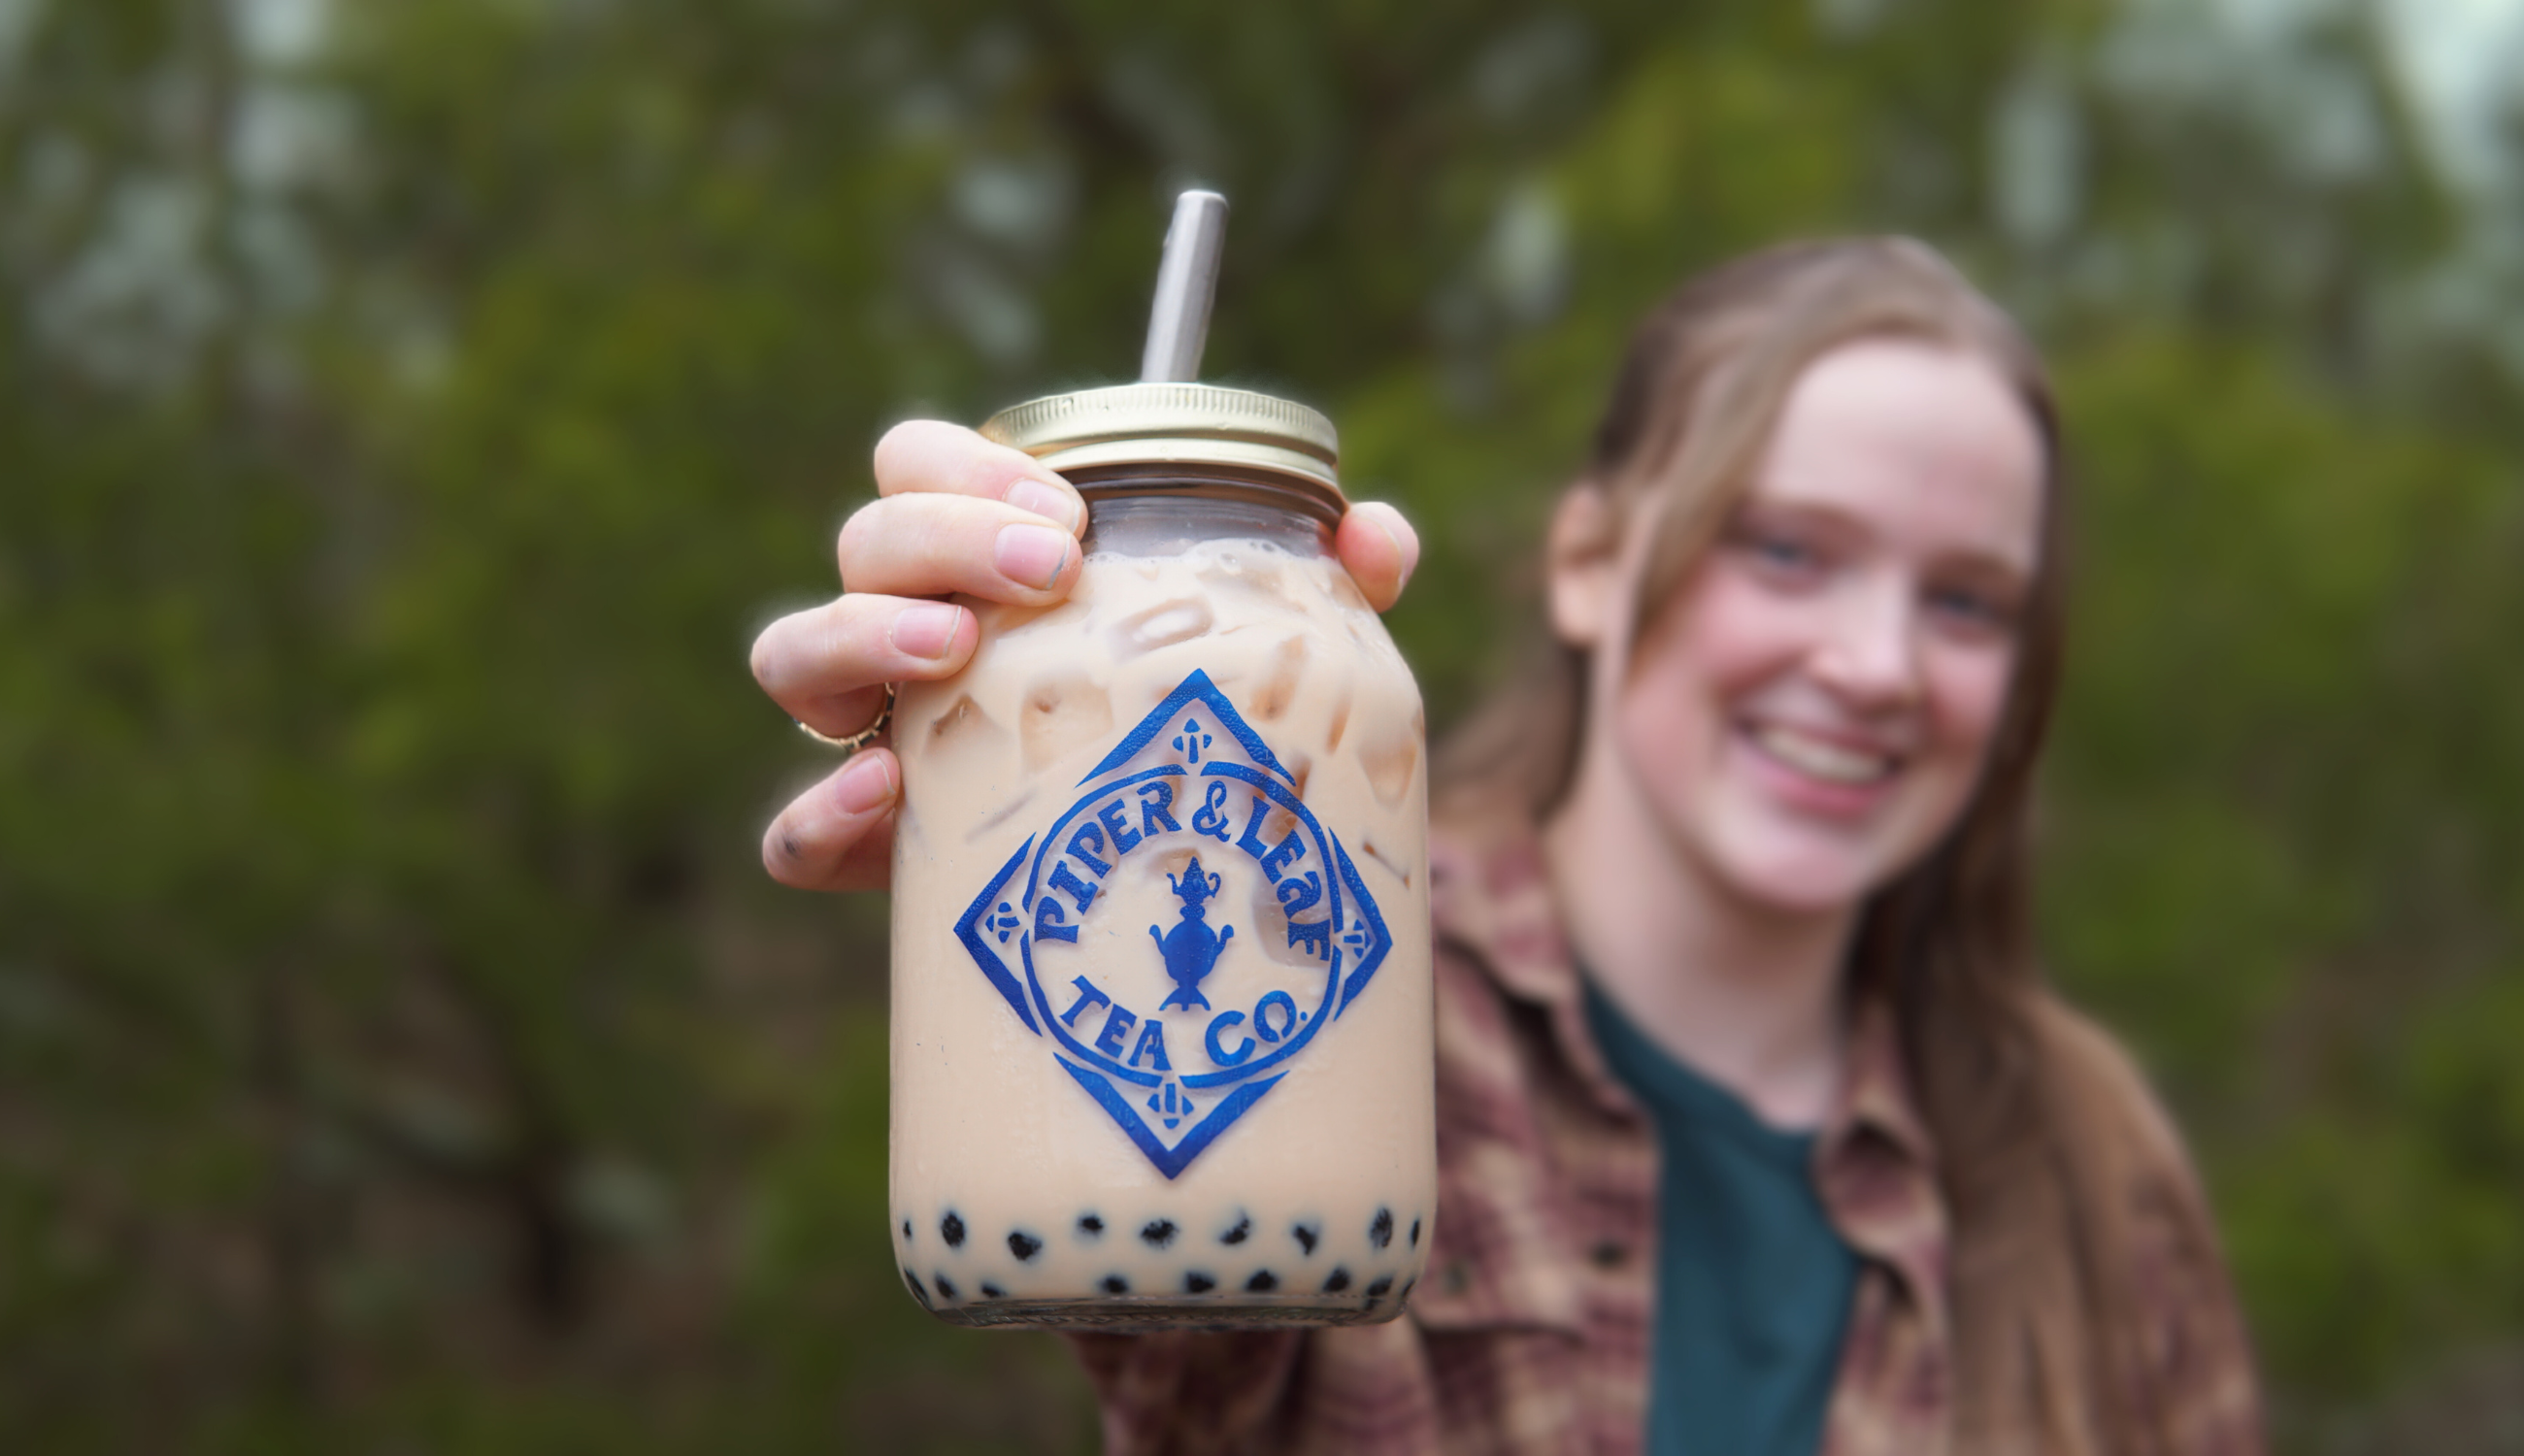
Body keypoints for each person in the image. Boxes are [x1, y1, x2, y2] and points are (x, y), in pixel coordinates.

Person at [748, 238, 2264, 1455]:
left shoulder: (2090, 1167)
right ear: (1591, 562)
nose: (1878, 663)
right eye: (1788, 550)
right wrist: (1038, 769)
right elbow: (1186, 1324)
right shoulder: (1358, 967)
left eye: (1969, 601)